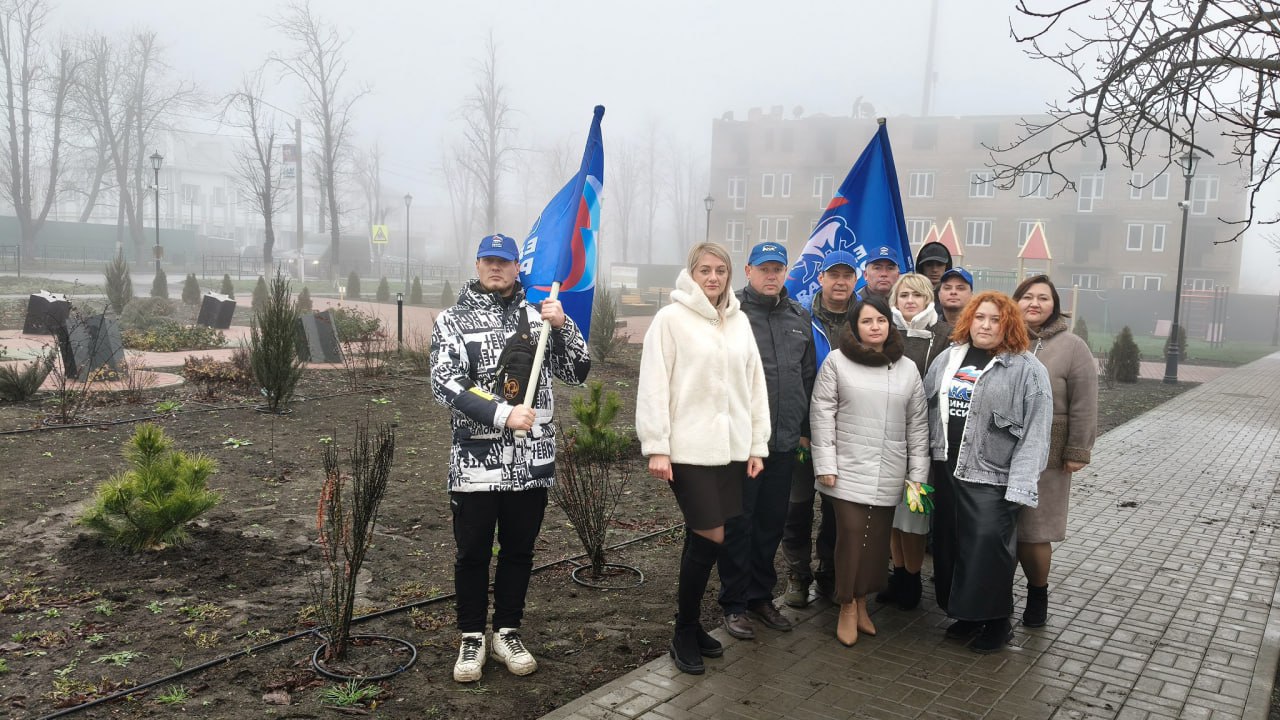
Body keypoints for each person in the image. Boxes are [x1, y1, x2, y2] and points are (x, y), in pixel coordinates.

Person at [430, 233, 592, 683]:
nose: (496, 267)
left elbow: (577, 372)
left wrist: (564, 326)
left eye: (504, 261)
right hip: (475, 464)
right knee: (472, 553)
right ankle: (471, 637)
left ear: (518, 267)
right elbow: (446, 382)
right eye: (489, 260)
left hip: (531, 463)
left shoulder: (539, 316)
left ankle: (506, 632)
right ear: (477, 265)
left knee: (519, 551)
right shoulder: (452, 320)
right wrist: (503, 414)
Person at [635, 241, 770, 676]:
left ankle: (691, 627)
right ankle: (682, 632)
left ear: (730, 275)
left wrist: (756, 445)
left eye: (720, 271)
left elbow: (754, 385)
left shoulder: (739, 321)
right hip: (688, 449)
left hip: (731, 449)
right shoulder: (670, 319)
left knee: (709, 537)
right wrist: (657, 445)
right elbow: (654, 383)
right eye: (705, 270)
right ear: (691, 273)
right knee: (710, 534)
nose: (713, 278)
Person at [922, 291, 1052, 654]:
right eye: (980, 317)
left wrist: (1020, 487)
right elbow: (926, 409)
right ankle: (967, 616)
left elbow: (1036, 432)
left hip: (992, 475)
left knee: (987, 550)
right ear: (969, 320)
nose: (986, 325)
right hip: (947, 467)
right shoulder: (949, 358)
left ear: (1008, 324)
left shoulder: (1027, 369)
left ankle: (997, 623)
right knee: (951, 546)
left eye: (995, 319)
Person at [810, 296, 929, 646]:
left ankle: (863, 602)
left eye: (881, 320)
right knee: (851, 536)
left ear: (890, 324)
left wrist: (917, 479)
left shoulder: (907, 368)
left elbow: (918, 426)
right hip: (846, 471)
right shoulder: (836, 362)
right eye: (867, 321)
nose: (875, 327)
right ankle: (846, 605)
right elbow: (822, 413)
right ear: (854, 326)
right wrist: (825, 465)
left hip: (889, 471)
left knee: (875, 543)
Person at [718, 242, 816, 640]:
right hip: (743, 443)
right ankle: (734, 603)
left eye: (778, 268)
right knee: (739, 523)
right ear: (748, 271)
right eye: (764, 268)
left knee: (771, 523)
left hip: (785, 441)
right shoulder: (731, 312)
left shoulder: (798, 316)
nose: (771, 275)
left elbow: (806, 378)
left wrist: (804, 431)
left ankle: (760, 597)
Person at [1013, 275, 1098, 628]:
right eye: (1027, 296)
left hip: (1048, 454)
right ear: (1016, 301)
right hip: (1001, 452)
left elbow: (1085, 401)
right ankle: (996, 597)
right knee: (999, 529)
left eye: (1043, 298)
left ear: (1054, 305)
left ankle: (1037, 594)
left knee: (1034, 530)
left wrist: (1078, 449)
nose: (1034, 303)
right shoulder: (1003, 337)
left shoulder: (1072, 346)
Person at [781, 250, 856, 608]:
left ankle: (829, 569)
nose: (840, 282)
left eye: (847, 275)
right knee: (796, 506)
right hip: (803, 431)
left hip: (847, 433)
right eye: (833, 275)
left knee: (836, 509)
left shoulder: (867, 318)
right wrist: (799, 426)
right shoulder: (799, 316)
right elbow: (790, 374)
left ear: (855, 280)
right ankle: (797, 573)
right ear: (821, 278)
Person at [876, 273, 952, 611]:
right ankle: (899, 574)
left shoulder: (945, 335)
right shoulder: (883, 330)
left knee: (914, 513)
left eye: (917, 295)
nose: (910, 301)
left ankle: (913, 577)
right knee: (893, 513)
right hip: (885, 435)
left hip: (922, 437)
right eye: (904, 295)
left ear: (927, 300)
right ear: (895, 299)